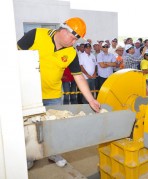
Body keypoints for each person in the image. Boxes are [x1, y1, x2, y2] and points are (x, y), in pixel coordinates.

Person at [17, 17, 100, 169]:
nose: (74, 42)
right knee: (28, 127)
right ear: (63, 30)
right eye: (73, 37)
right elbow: (13, 57)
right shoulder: (36, 35)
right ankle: (29, 155)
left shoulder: (71, 52)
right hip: (29, 95)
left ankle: (53, 153)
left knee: (53, 128)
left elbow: (78, 76)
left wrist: (91, 100)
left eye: (76, 39)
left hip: (53, 96)